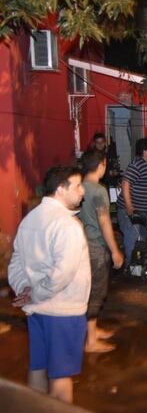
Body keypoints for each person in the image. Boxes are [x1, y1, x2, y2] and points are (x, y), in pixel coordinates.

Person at [7, 166, 90, 403]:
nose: (82, 191)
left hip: (37, 311)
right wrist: (36, 294)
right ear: (61, 189)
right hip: (62, 311)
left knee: (37, 369)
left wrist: (25, 289)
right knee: (61, 377)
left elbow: (16, 262)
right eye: (77, 186)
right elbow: (62, 273)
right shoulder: (67, 226)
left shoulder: (30, 219)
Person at [78, 149, 124, 353]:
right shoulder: (98, 191)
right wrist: (115, 251)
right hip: (95, 248)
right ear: (102, 165)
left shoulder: (77, 187)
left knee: (85, 291)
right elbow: (104, 222)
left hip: (79, 246)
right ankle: (91, 342)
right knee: (97, 291)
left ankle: (92, 331)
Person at [116, 138, 147, 268]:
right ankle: (129, 269)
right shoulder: (137, 164)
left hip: (141, 211)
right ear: (146, 151)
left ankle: (138, 267)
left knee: (142, 239)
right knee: (132, 239)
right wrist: (129, 206)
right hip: (129, 211)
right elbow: (126, 183)